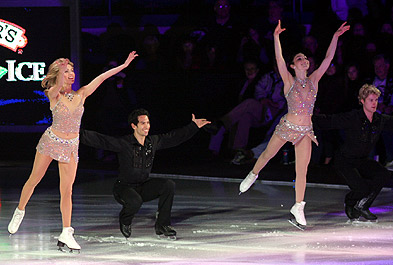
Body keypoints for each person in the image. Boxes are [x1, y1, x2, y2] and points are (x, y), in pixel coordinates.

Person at [7, 51, 138, 251]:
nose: (71, 74)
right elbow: (58, 85)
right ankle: (20, 210)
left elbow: (102, 77)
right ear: (58, 74)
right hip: (51, 142)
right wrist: (59, 71)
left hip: (71, 146)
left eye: (72, 70)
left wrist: (124, 65)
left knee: (67, 190)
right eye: (66, 71)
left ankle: (66, 231)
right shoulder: (53, 93)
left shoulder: (81, 94)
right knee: (34, 179)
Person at [239, 20, 350, 229]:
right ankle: (253, 174)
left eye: (306, 58)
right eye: (300, 58)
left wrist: (335, 36)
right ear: (293, 65)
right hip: (287, 126)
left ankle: (298, 205)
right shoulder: (289, 81)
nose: (305, 60)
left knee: (302, 170)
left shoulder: (314, 80)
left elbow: (328, 58)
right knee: (267, 155)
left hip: (305, 131)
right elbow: (279, 59)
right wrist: (275, 37)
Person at [312, 84, 393, 221]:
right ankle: (350, 202)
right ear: (362, 101)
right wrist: (303, 118)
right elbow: (328, 121)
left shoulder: (379, 120)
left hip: (361, 160)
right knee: (361, 188)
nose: (374, 104)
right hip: (345, 161)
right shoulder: (353, 117)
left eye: (376, 100)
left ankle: (362, 205)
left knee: (383, 174)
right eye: (370, 100)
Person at [79, 109, 210, 239]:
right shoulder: (124, 143)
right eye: (142, 123)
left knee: (168, 185)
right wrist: (76, 132)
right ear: (133, 126)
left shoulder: (152, 142)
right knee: (136, 201)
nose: (146, 126)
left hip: (142, 186)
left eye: (147, 122)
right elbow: (100, 140)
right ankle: (125, 220)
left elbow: (173, 138)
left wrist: (193, 127)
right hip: (124, 188)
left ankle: (162, 225)